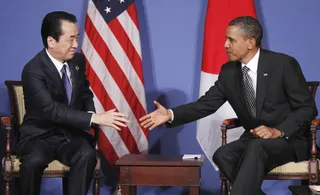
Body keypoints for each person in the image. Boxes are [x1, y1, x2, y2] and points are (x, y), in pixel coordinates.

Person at [139, 16, 318, 195]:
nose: (225, 45)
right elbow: (205, 105)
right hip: (254, 140)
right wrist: (170, 114)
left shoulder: (283, 64)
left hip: (289, 140)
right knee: (222, 154)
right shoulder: (229, 71)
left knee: (257, 147)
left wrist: (277, 131)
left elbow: (308, 108)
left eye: (231, 40)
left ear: (250, 42)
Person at [18, 11, 128, 195]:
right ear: (51, 41)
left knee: (87, 154)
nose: (76, 45)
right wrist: (94, 118)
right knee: (33, 162)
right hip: (40, 136)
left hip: (69, 136)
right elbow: (51, 110)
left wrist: (92, 117)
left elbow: (85, 93)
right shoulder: (32, 70)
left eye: (77, 38)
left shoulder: (77, 61)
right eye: (70, 40)